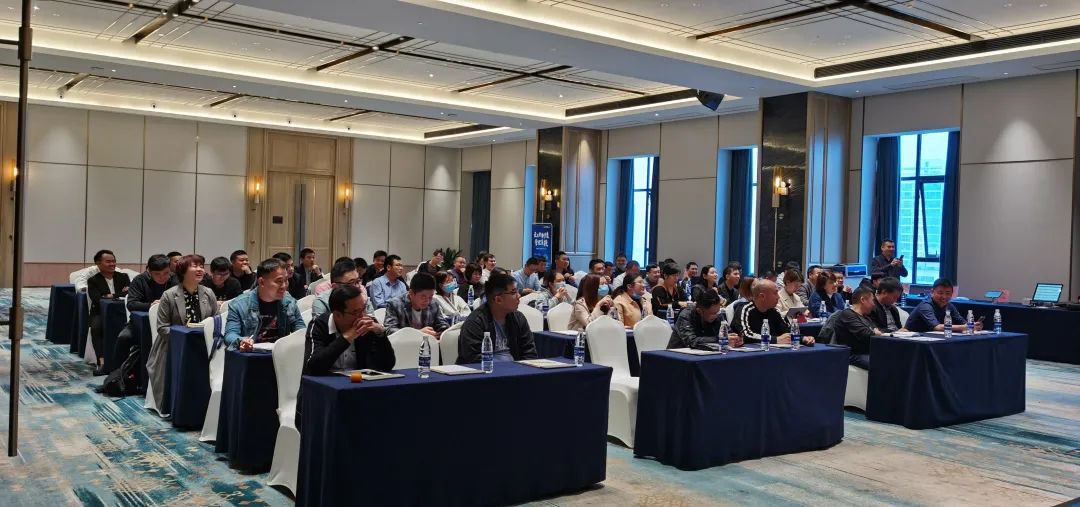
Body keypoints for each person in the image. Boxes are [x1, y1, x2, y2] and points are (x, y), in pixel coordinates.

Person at [149, 255, 219, 407]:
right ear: (182, 271)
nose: (200, 269)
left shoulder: (208, 293)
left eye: (201, 266)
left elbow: (217, 321)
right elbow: (162, 328)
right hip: (174, 347)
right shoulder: (169, 295)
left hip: (204, 345)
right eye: (194, 266)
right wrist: (183, 336)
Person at [106, 254, 174, 386]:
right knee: (123, 338)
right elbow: (131, 304)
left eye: (166, 273)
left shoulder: (175, 279)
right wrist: (151, 305)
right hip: (139, 324)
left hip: (168, 323)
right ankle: (116, 377)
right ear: (149, 271)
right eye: (157, 274)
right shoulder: (140, 280)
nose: (162, 277)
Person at [303, 284, 394, 376]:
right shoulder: (319, 324)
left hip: (359, 381)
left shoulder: (368, 324)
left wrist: (380, 334)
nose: (362, 316)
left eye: (363, 309)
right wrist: (346, 338)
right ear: (337, 315)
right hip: (325, 382)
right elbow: (313, 367)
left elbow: (387, 366)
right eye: (356, 312)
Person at [224, 258, 306, 350]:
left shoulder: (289, 302)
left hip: (279, 354)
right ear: (262, 282)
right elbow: (230, 335)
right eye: (279, 281)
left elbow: (301, 330)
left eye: (286, 280)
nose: (284, 286)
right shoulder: (239, 304)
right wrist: (241, 340)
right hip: (251, 354)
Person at [457, 272, 538, 363]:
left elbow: (529, 353)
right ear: (498, 299)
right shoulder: (475, 322)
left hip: (516, 369)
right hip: (487, 371)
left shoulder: (518, 318)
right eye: (513, 292)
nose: (519, 296)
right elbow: (474, 360)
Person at [732, 279, 815, 347]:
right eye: (775, 293)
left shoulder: (774, 311)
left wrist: (803, 338)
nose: (778, 297)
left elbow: (786, 330)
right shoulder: (744, 309)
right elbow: (745, 335)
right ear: (762, 296)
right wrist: (775, 340)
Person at [86, 249, 131, 375]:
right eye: (108, 262)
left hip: (122, 312)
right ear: (98, 263)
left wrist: (112, 295)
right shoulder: (93, 280)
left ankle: (125, 362)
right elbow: (97, 299)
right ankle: (102, 362)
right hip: (100, 312)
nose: (112, 264)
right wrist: (120, 294)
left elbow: (129, 293)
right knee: (96, 328)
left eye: (114, 261)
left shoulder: (123, 277)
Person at [383, 273, 448, 337]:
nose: (427, 301)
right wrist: (418, 333)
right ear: (411, 293)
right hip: (405, 343)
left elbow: (441, 323)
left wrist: (442, 331)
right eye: (423, 297)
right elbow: (389, 330)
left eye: (430, 296)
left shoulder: (433, 303)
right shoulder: (395, 304)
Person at [906, 278, 981, 333]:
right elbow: (937, 327)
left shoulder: (949, 306)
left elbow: (962, 322)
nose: (944, 297)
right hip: (912, 340)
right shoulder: (925, 305)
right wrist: (965, 327)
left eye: (948, 293)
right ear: (932, 292)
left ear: (952, 294)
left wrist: (974, 326)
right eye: (940, 293)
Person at [833, 287, 881, 370]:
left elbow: (877, 331)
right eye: (872, 300)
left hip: (867, 352)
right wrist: (874, 332)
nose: (873, 304)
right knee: (881, 364)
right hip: (853, 354)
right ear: (863, 300)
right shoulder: (847, 314)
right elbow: (866, 334)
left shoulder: (866, 317)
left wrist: (875, 332)